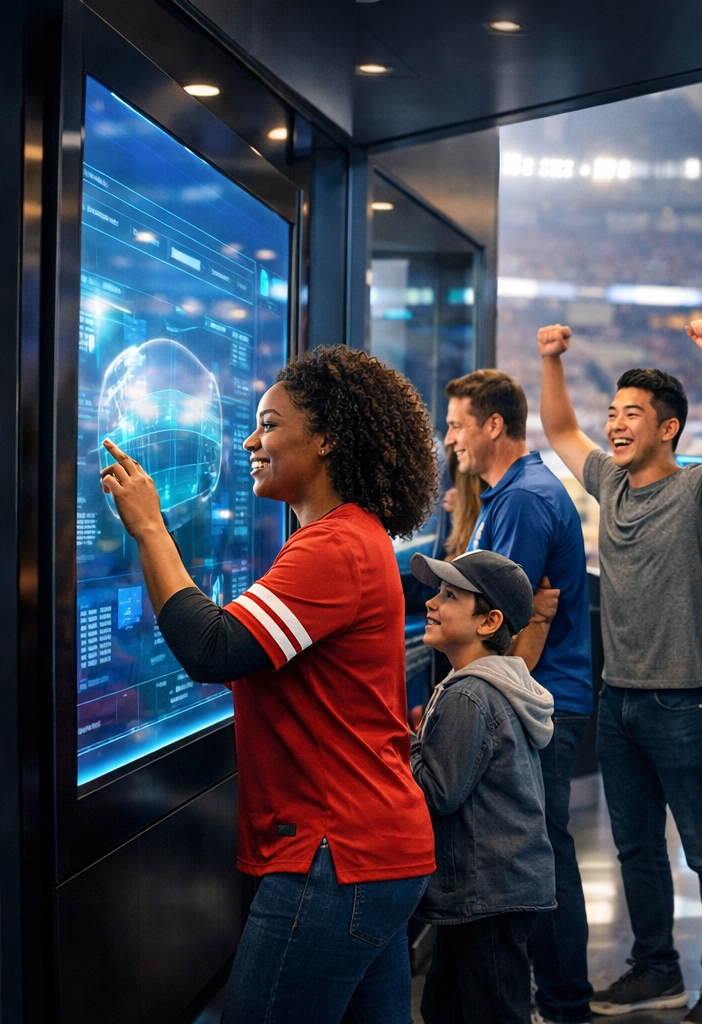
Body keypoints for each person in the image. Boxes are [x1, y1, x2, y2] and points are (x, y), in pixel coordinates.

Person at [99, 346, 440, 1024]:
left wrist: (148, 526)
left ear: (325, 439)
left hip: (335, 856)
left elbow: (214, 647)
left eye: (269, 424)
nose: (251, 441)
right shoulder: (348, 538)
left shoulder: (334, 547)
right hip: (372, 852)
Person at [537, 317, 702, 1024]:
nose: (613, 425)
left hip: (685, 704)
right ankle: (656, 968)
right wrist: (551, 363)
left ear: (667, 429)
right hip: (621, 701)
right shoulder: (612, 483)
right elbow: (561, 432)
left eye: (631, 414)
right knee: (636, 849)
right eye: (613, 413)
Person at [444, 368, 596, 1024]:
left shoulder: (526, 500)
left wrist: (519, 621)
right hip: (534, 694)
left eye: (456, 425)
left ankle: (562, 1001)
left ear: (494, 425)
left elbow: (502, 624)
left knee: (537, 857)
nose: (449, 439)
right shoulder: (505, 495)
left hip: (540, 699)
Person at [410, 549, 556, 1024]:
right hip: (490, 890)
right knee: (445, 1009)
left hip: (486, 894)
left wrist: (401, 747)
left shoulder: (470, 694)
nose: (432, 603)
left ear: (489, 621)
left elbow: (437, 792)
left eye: (450, 595)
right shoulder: (490, 685)